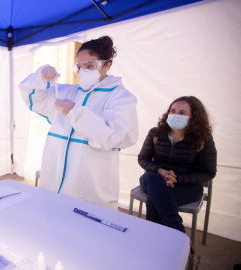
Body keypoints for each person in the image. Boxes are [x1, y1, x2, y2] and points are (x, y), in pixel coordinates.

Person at [19, 36, 138, 210]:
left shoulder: (120, 97)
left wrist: (75, 112)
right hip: (55, 180)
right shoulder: (69, 92)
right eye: (79, 67)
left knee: (87, 228)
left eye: (90, 66)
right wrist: (42, 76)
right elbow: (33, 99)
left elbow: (118, 136)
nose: (83, 71)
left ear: (107, 65)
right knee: (52, 220)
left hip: (89, 184)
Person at [138, 96, 217, 233]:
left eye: (182, 113)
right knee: (152, 179)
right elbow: (143, 159)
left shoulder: (203, 139)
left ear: (194, 117)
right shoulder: (155, 133)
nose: (175, 115)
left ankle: (153, 242)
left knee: (154, 200)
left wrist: (177, 178)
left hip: (187, 186)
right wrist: (160, 171)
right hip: (154, 179)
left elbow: (208, 172)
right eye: (172, 111)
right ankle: (177, 232)